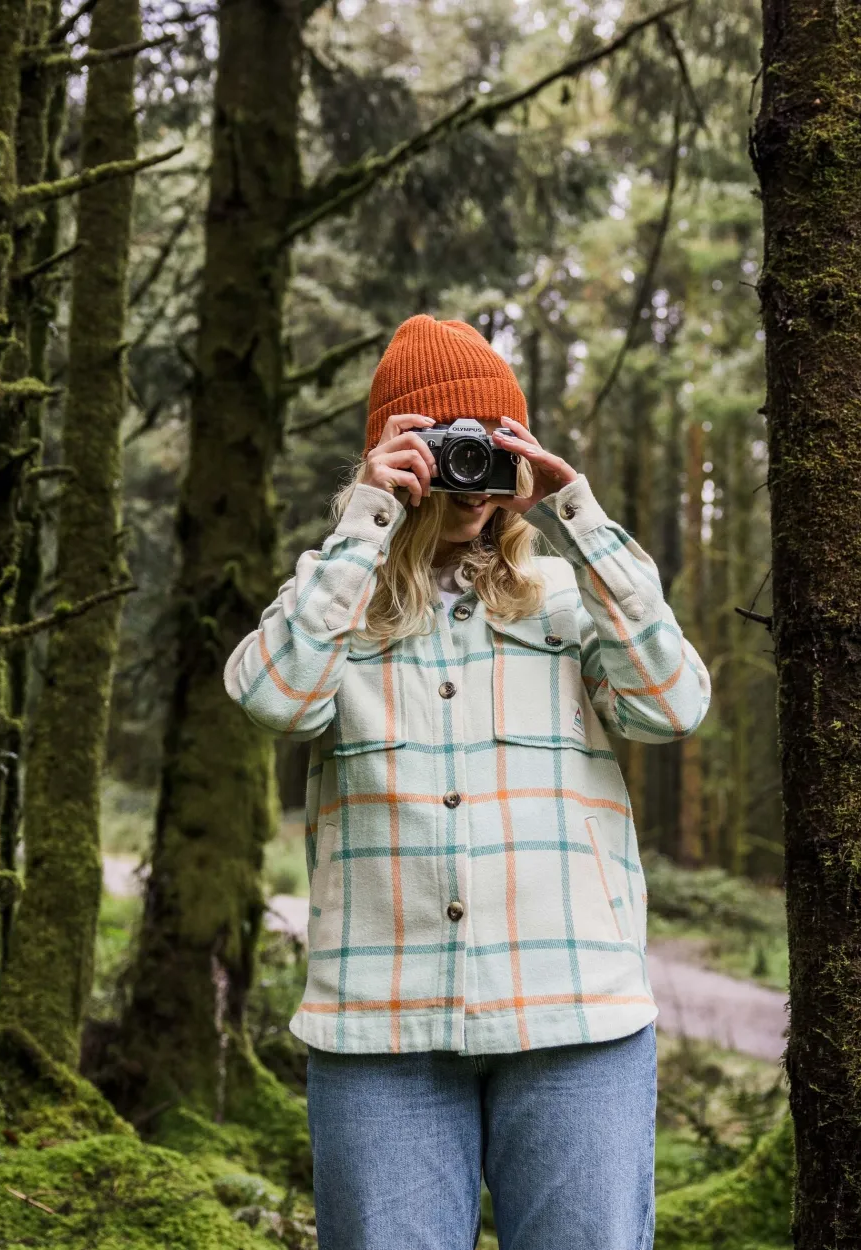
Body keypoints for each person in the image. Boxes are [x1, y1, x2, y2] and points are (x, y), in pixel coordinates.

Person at [224, 314, 711, 1250]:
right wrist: (366, 516)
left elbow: (673, 704)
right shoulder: (332, 601)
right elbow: (276, 698)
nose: (468, 482)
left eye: (489, 454)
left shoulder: (569, 603)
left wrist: (579, 512)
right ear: (394, 450)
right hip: (382, 1029)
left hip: (577, 1016)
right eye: (445, 450)